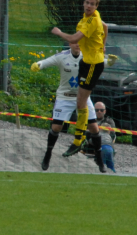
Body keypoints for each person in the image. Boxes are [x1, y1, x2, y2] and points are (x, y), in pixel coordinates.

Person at [50, 0, 108, 170]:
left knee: (81, 102)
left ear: (96, 6)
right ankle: (79, 139)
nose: (89, 6)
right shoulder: (90, 17)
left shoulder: (92, 21)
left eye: (92, 4)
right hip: (86, 62)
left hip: (93, 65)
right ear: (84, 3)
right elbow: (105, 26)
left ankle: (78, 141)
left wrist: (59, 32)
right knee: (80, 102)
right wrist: (103, 44)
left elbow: (74, 39)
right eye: (87, 2)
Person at [30, 42, 99, 171]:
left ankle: (99, 159)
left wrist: (109, 61)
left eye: (80, 42)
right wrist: (38, 64)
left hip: (83, 96)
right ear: (70, 44)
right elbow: (46, 61)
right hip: (64, 96)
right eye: (75, 42)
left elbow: (101, 60)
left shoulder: (88, 55)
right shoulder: (62, 56)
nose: (78, 45)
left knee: (94, 127)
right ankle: (48, 154)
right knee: (56, 127)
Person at [93, 101, 117, 173]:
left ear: (105, 111)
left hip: (104, 144)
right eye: (96, 110)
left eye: (101, 110)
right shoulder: (89, 120)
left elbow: (112, 134)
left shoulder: (109, 121)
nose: (99, 112)